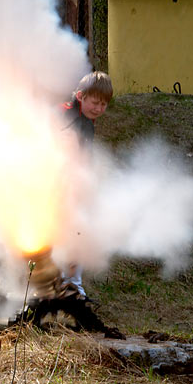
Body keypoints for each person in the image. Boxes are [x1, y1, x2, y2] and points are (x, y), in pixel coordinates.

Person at [60, 70, 113, 297]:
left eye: (104, 104)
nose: (99, 108)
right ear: (81, 96)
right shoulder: (63, 114)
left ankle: (73, 284)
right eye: (95, 102)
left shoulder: (88, 122)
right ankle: (61, 283)